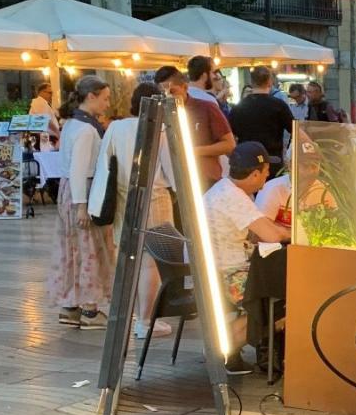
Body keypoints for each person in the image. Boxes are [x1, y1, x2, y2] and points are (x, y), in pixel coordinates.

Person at [89, 81, 175, 340]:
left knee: (128, 259)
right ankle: (147, 321)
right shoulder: (160, 130)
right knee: (151, 262)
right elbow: (171, 173)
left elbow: (104, 164)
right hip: (156, 197)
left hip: (123, 198)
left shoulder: (115, 127)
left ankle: (136, 317)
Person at [203, 142, 291, 368]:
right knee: (291, 301)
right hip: (229, 274)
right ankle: (222, 349)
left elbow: (255, 233)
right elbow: (270, 235)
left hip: (217, 268)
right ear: (254, 174)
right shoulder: (233, 197)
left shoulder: (224, 189)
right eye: (266, 171)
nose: (268, 175)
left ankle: (229, 350)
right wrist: (296, 233)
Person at [47, 76, 113, 330]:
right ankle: (89, 308)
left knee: (72, 249)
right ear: (91, 96)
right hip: (82, 191)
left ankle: (71, 306)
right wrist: (82, 205)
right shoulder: (86, 129)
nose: (107, 104)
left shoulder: (73, 124)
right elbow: (78, 169)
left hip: (71, 191)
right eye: (105, 98)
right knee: (88, 250)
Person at [162, 64, 234, 184]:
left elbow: (229, 145)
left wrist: (194, 151)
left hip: (205, 180)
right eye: (163, 93)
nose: (168, 96)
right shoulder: (161, 113)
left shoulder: (206, 107)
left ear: (185, 87)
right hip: (174, 183)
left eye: (172, 91)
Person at [229, 64, 292, 164]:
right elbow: (295, 130)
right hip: (273, 160)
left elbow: (230, 135)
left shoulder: (238, 107)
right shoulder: (279, 105)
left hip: (246, 160)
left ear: (252, 82)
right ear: (270, 82)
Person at [29, 81, 60, 150]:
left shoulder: (41, 103)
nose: (51, 95)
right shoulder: (40, 102)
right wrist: (58, 133)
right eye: (50, 93)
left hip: (44, 136)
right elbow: (46, 120)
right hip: (43, 137)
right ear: (41, 92)